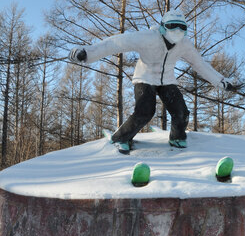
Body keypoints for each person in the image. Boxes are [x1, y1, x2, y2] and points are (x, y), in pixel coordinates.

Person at [70, 9, 234, 153]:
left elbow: (200, 64)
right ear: (163, 27)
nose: (177, 31)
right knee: (145, 111)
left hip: (167, 80)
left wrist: (221, 81)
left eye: (182, 27)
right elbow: (115, 43)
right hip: (145, 77)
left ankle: (177, 137)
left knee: (181, 112)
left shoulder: (184, 44)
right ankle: (121, 138)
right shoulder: (147, 38)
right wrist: (87, 53)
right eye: (172, 26)